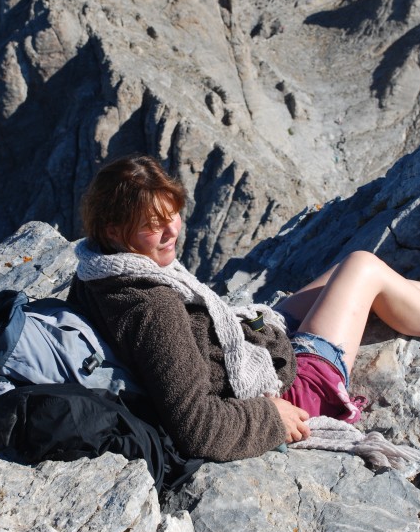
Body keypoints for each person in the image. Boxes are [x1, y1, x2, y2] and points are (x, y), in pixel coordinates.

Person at [67, 154, 420, 462]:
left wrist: (251, 330)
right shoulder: (154, 308)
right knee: (363, 268)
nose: (171, 231)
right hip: (289, 390)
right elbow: (197, 428)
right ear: (113, 232)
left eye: (172, 214)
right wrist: (272, 417)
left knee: (345, 272)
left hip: (247, 351)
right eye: (152, 225)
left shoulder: (95, 273)